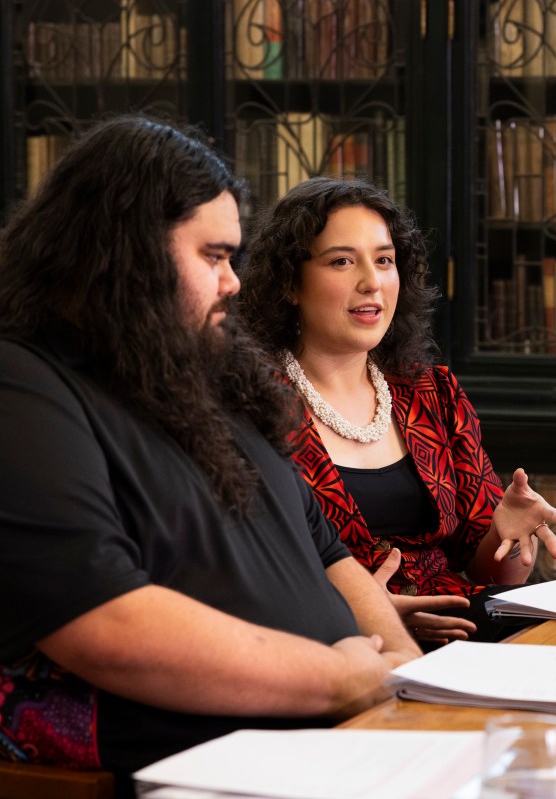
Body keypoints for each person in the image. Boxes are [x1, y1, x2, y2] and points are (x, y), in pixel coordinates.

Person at [0, 117, 421, 787]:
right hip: (209, 765)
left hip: (348, 731)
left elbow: (324, 552)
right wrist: (341, 679)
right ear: (126, 254)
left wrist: (404, 680)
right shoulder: (23, 382)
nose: (233, 283)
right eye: (214, 256)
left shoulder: (203, 372)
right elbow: (103, 622)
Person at [237, 177, 556, 646]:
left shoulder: (432, 394)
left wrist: (509, 536)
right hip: (336, 645)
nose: (371, 282)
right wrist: (368, 614)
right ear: (290, 282)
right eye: (341, 261)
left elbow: (490, 573)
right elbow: (249, 574)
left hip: (463, 636)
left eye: (384, 260)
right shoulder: (252, 407)